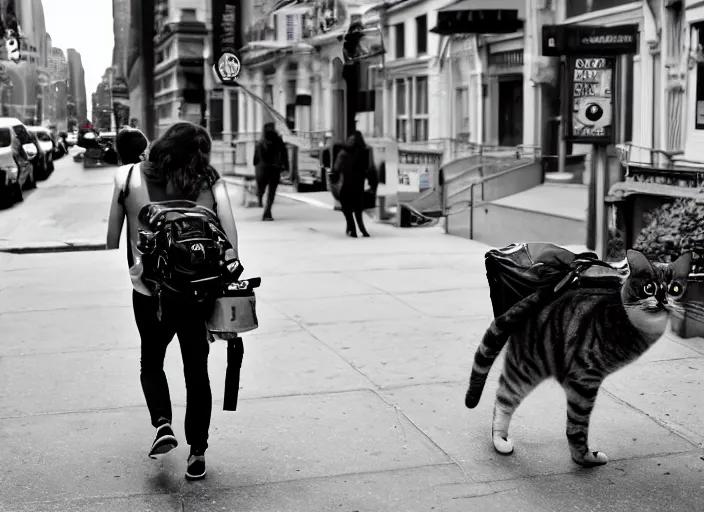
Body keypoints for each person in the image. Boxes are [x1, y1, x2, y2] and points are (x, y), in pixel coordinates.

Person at [105, 121, 240, 481]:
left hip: (149, 292)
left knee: (151, 360)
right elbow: (231, 243)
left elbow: (110, 238)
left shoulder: (129, 176)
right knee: (197, 371)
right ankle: (197, 451)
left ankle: (162, 423)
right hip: (196, 293)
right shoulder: (211, 182)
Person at [331, 130, 375, 237]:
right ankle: (362, 230)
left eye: (351, 140)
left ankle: (353, 229)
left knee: (346, 207)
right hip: (359, 185)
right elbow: (370, 167)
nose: (349, 141)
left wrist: (334, 175)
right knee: (357, 208)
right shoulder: (366, 151)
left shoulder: (344, 153)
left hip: (347, 183)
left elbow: (336, 168)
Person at [253, 122, 288, 221]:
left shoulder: (260, 142)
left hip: (262, 169)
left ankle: (260, 198)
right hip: (274, 169)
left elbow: (255, 158)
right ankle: (267, 212)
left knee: (261, 187)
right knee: (271, 191)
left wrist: (256, 164)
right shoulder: (279, 141)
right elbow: (284, 155)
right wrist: (286, 167)